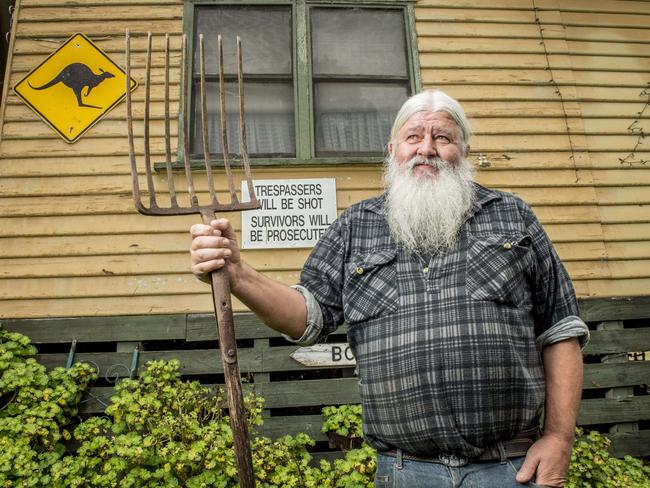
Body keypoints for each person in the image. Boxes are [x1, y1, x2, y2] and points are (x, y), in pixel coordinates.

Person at [190, 90, 589, 487]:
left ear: (464, 150)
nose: (427, 149)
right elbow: (305, 318)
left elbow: (561, 331)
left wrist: (558, 438)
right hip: (405, 471)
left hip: (509, 469)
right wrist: (239, 275)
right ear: (393, 149)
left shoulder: (511, 216)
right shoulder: (355, 227)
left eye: (443, 138)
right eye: (414, 137)